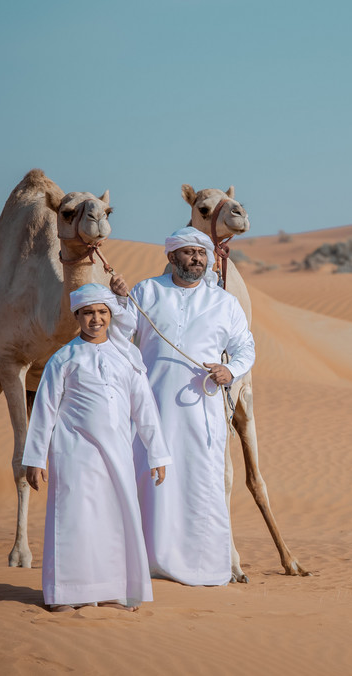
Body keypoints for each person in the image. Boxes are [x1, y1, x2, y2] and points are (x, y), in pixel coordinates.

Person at [110, 226, 255, 586]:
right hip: (151, 407)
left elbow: (245, 348)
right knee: (149, 478)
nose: (197, 259)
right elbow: (121, 332)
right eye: (189, 253)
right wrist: (119, 301)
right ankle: (147, 561)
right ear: (172, 257)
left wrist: (230, 369)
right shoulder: (147, 291)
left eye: (202, 254)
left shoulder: (224, 303)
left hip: (200, 409)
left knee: (200, 481)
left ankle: (202, 566)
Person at [21, 284, 172, 612]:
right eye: (89, 313)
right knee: (73, 521)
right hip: (74, 453)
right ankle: (66, 594)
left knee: (114, 522)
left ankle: (113, 592)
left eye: (102, 312)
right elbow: (44, 409)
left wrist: (157, 453)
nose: (96, 319)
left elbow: (145, 409)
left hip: (118, 455)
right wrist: (35, 458)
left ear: (110, 315)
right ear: (77, 316)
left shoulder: (126, 358)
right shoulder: (64, 358)